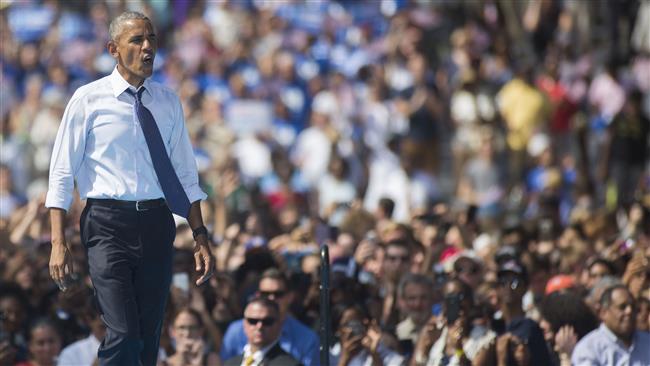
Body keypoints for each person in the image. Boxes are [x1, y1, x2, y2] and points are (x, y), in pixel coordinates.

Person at [45, 11, 214, 366]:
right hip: (106, 223)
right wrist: (58, 243)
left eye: (151, 38)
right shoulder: (87, 100)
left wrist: (200, 234)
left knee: (149, 336)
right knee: (123, 333)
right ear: (113, 49)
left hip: (156, 221)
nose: (148, 46)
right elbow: (61, 173)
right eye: (136, 40)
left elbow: (185, 175)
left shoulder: (168, 101)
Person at [220, 268, 319, 366]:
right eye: (265, 294)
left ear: (290, 296)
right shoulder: (235, 331)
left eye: (278, 294)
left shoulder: (307, 338)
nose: (271, 298)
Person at [571, 285, 650, 365]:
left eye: (633, 307)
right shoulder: (589, 349)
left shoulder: (647, 342)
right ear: (604, 313)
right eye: (622, 307)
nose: (629, 311)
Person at [223, 297, 301, 366]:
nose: (259, 326)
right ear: (244, 324)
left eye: (267, 321)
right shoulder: (229, 363)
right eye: (252, 321)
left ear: (279, 324)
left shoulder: (290, 364)